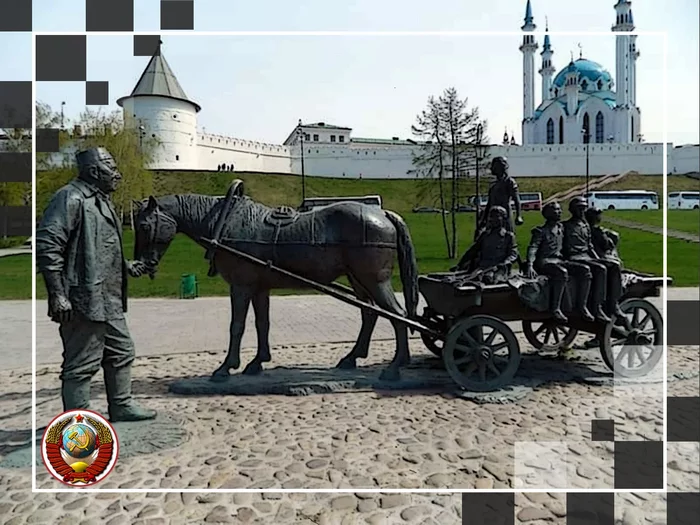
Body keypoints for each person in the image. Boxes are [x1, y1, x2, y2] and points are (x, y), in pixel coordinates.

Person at [36, 147, 157, 422]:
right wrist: (57, 294)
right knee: (81, 365)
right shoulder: (70, 197)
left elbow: (99, 249)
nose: (117, 174)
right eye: (110, 168)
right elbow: (48, 245)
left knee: (122, 351)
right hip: (84, 299)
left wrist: (124, 267)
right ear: (93, 171)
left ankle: (121, 405)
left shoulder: (101, 201)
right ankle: (76, 424)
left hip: (109, 300)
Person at [524, 201, 594, 323]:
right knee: (561, 272)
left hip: (559, 260)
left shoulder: (561, 228)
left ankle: (582, 305)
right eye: (556, 210)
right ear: (548, 214)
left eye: (560, 209)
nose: (560, 212)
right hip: (545, 262)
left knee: (584, 270)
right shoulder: (541, 231)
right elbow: (533, 248)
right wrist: (530, 264)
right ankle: (555, 308)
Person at [562, 196, 624, 322]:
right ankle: (596, 307)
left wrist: (598, 259)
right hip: (573, 258)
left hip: (586, 257)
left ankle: (613, 303)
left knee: (613, 266)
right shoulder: (565, 226)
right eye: (579, 209)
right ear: (572, 210)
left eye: (584, 209)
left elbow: (589, 247)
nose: (582, 212)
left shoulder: (585, 226)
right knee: (600, 269)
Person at [451, 205, 518, 284]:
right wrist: (460, 265)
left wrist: (506, 262)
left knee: (488, 279)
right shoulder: (485, 235)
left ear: (503, 219)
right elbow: (473, 251)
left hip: (499, 270)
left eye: (496, 217)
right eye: (491, 217)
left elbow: (513, 254)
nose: (493, 219)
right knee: (470, 278)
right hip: (483, 268)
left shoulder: (508, 236)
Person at [475, 156, 524, 241]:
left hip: (505, 214)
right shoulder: (493, 185)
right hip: (493, 215)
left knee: (507, 238)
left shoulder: (509, 181)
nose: (491, 168)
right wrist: (483, 220)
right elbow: (489, 204)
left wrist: (519, 216)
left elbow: (516, 200)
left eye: (494, 166)